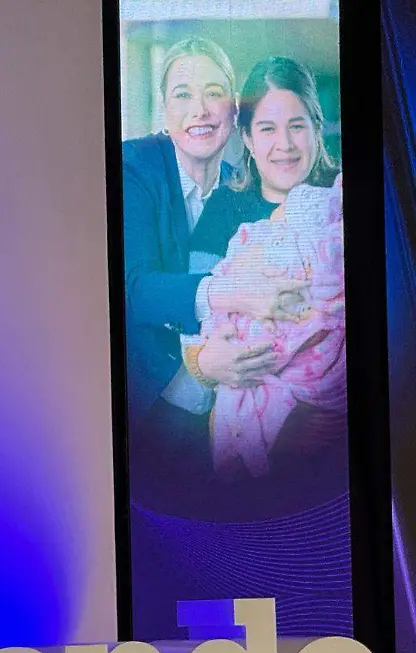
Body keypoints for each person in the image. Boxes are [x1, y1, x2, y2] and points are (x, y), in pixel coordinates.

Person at [122, 36, 300, 491]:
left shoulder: (242, 190)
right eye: (183, 95)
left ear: (234, 110)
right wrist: (231, 294)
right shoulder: (132, 166)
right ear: (164, 110)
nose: (199, 110)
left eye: (213, 93)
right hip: (145, 411)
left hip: (223, 416)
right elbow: (135, 289)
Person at [184, 56, 345, 485]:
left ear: (317, 127)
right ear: (248, 139)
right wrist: (205, 364)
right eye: (268, 129)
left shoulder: (341, 202)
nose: (285, 145)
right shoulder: (222, 212)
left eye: (297, 126)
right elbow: (191, 325)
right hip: (245, 422)